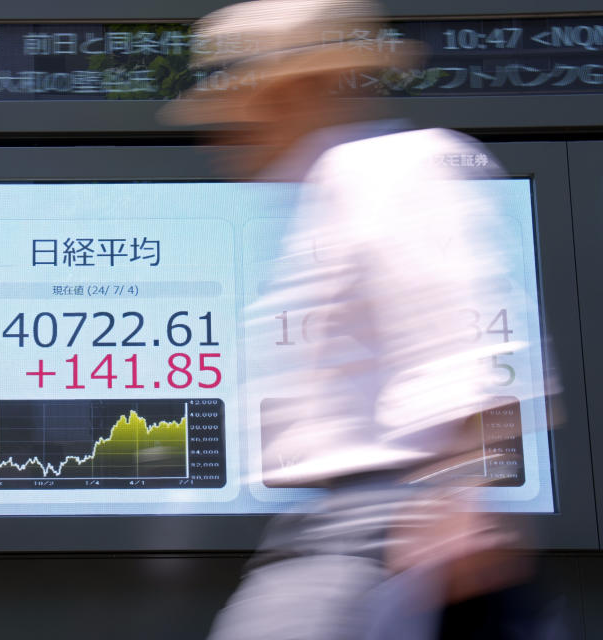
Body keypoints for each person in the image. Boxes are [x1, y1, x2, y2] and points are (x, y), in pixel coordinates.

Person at [162, 1, 561, 638]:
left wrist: (459, 500)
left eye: (241, 104)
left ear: (294, 92)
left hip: (384, 530)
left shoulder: (393, 171)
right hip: (344, 529)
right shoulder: (321, 196)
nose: (225, 133)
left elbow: (479, 352)